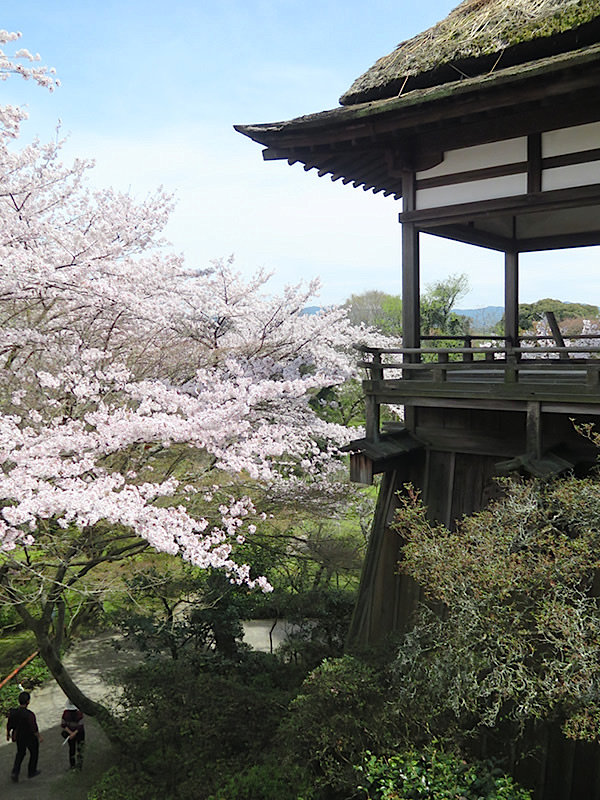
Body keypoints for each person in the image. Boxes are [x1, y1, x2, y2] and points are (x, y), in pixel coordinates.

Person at [6, 690, 43, 782]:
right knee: (34, 753)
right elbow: (33, 727)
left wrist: (8, 734)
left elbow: (9, 724)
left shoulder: (14, 712)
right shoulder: (29, 714)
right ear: (28, 702)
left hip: (19, 736)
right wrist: (39, 736)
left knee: (20, 753)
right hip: (29, 736)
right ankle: (31, 771)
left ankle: (15, 772)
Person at [61, 700, 85, 770]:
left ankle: (72, 765)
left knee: (72, 749)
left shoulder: (65, 713)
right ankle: (80, 765)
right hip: (79, 733)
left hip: (69, 734)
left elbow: (63, 724)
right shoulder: (79, 713)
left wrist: (71, 733)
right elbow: (80, 726)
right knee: (80, 749)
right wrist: (74, 733)